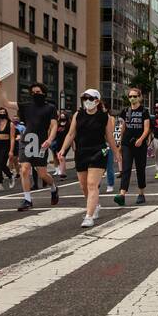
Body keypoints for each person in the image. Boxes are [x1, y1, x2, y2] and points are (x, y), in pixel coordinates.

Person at [59, 88, 118, 228]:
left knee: (92, 184)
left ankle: (89, 216)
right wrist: (63, 150)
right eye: (84, 99)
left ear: (97, 101)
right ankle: (95, 205)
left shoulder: (105, 117)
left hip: (99, 151)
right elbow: (71, 134)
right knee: (83, 186)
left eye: (90, 99)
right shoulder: (77, 115)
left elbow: (109, 136)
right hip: (81, 152)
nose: (87, 101)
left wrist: (116, 152)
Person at [1, 82, 60, 212]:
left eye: (37, 92)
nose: (35, 94)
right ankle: (27, 199)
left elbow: (54, 125)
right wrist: (1, 87)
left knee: (42, 173)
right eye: (33, 93)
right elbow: (6, 103)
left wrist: (50, 140)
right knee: (24, 169)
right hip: (26, 140)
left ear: (44, 93)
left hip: (41, 142)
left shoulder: (50, 108)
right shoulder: (26, 106)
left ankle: (54, 187)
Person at [115, 86, 151, 207]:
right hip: (127, 144)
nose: (132, 98)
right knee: (126, 168)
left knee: (140, 168)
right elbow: (122, 127)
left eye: (134, 96)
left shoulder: (144, 111)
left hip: (139, 145)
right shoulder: (125, 111)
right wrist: (119, 143)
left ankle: (141, 193)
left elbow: (147, 129)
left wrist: (141, 139)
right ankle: (122, 194)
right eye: (130, 96)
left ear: (139, 97)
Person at [52, 107, 71, 179]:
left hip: (66, 143)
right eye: (61, 116)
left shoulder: (68, 124)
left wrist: (73, 145)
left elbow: (70, 134)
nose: (62, 117)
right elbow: (54, 133)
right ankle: (62, 171)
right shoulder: (58, 124)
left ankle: (63, 173)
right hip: (58, 143)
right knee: (59, 157)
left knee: (62, 157)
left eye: (64, 116)